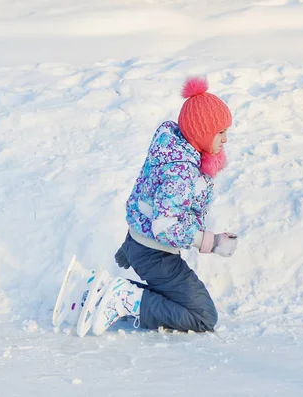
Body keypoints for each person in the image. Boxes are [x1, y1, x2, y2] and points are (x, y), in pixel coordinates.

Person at [90, 76, 238, 334]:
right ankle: (126, 300)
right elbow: (165, 226)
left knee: (182, 303)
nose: (225, 140)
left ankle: (110, 293)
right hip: (155, 252)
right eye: (221, 132)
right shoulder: (180, 170)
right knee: (203, 317)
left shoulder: (174, 149)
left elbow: (149, 196)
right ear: (202, 133)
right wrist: (211, 242)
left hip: (141, 243)